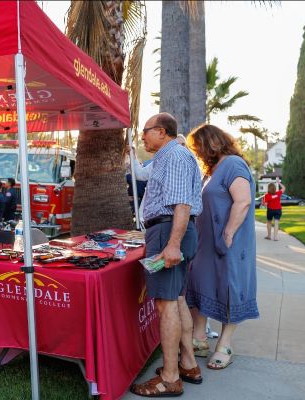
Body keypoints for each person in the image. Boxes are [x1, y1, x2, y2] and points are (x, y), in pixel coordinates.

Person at [130, 113, 203, 397]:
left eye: (146, 132)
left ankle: (170, 378)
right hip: (170, 231)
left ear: (161, 131)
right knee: (178, 299)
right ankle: (188, 364)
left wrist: (171, 244)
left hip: (168, 232)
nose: (143, 137)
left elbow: (181, 204)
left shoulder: (174, 156)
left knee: (166, 304)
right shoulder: (169, 155)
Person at [185, 124, 259, 371]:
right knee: (198, 284)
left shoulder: (233, 165)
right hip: (205, 243)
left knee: (230, 288)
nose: (196, 152)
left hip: (230, 242)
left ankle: (224, 345)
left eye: (198, 146)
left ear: (211, 143)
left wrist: (227, 233)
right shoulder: (213, 170)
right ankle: (199, 339)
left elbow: (243, 200)